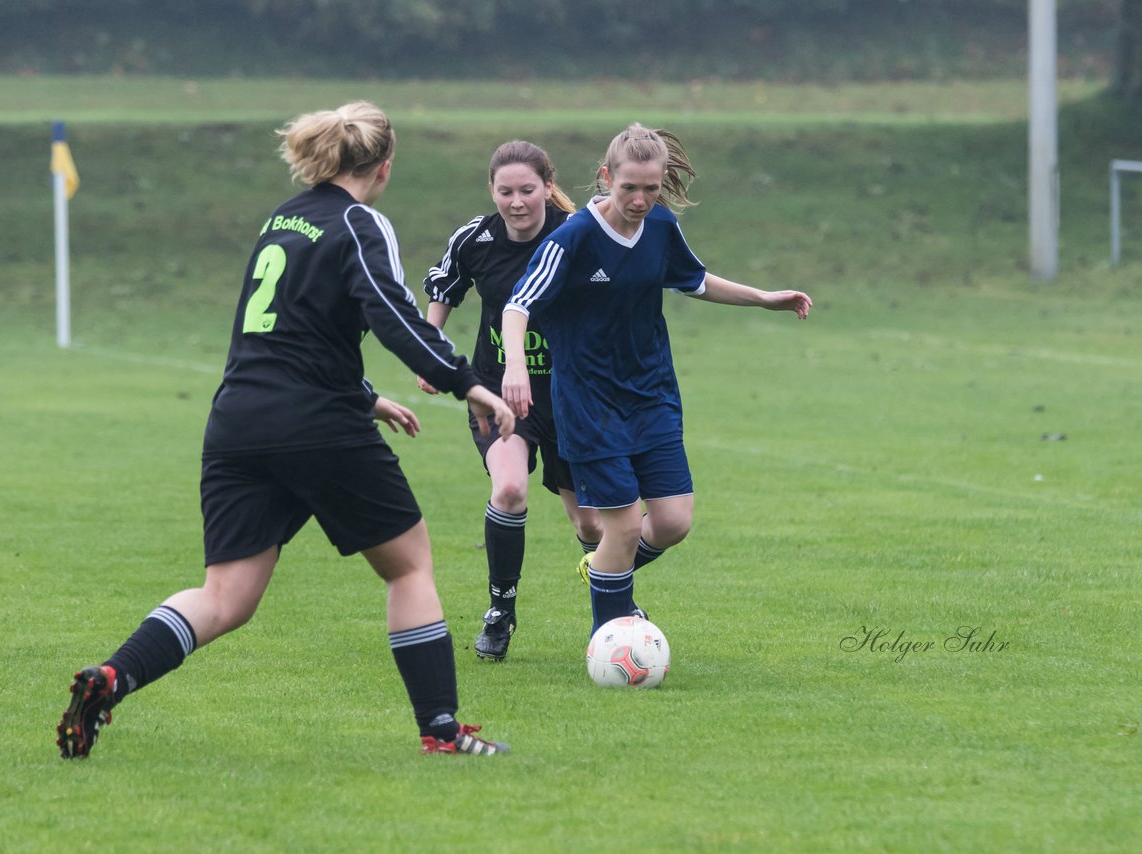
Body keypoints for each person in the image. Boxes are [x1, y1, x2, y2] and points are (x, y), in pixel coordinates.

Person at [56, 101, 513, 759]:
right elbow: (394, 315)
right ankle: (441, 732)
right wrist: (467, 382)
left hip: (240, 419)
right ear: (384, 166)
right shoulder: (362, 221)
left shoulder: (284, 218)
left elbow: (280, 327)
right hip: (315, 424)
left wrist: (363, 396)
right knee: (409, 565)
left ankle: (112, 677)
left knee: (226, 596)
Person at [501, 123, 812, 633]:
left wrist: (763, 297)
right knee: (621, 528)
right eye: (630, 188)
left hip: (652, 396)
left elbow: (695, 280)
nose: (642, 199)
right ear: (606, 177)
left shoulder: (662, 226)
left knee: (672, 523)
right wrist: (515, 366)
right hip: (589, 402)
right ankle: (611, 635)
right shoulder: (573, 238)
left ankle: (603, 569)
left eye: (651, 187)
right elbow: (518, 305)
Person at [420, 140, 602, 661]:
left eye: (527, 190)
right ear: (491, 191)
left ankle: (612, 606)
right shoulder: (474, 239)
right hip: (498, 393)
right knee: (508, 490)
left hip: (570, 396)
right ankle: (500, 611)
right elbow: (443, 290)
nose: (516, 202)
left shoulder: (576, 236)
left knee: (589, 525)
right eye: (506, 192)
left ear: (548, 186)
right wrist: (431, 356)